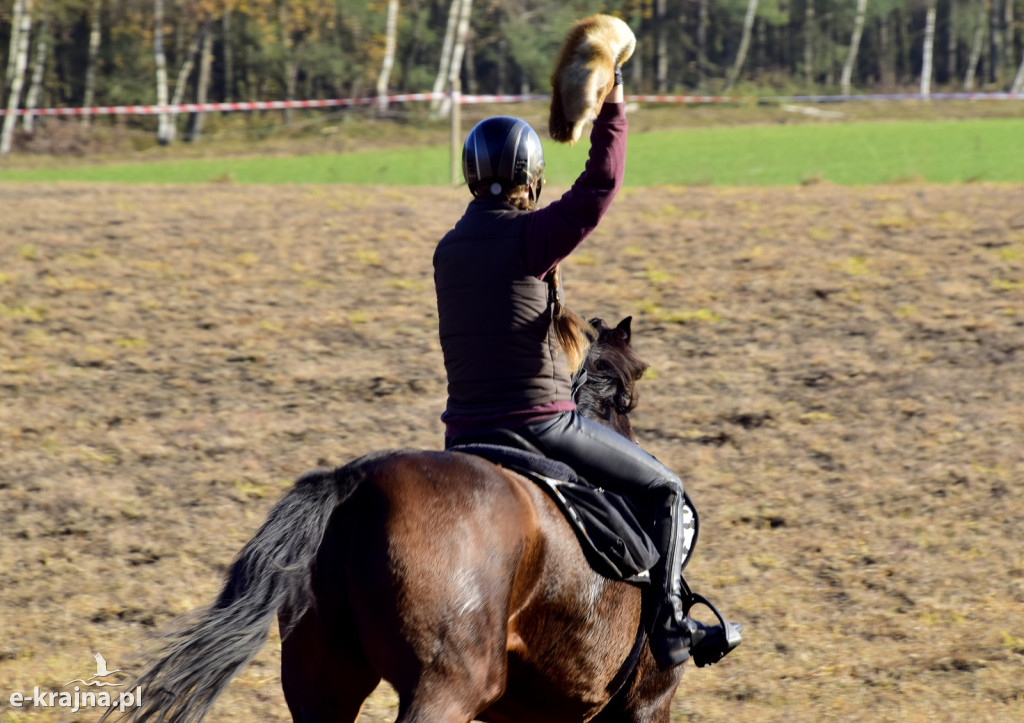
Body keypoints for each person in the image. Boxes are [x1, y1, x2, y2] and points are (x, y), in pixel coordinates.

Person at [433, 71, 741, 670]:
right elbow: (600, 183)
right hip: (540, 425)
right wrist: (613, 108)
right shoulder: (529, 237)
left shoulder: (447, 249)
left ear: (472, 177)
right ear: (529, 177)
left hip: (462, 434)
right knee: (666, 491)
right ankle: (675, 624)